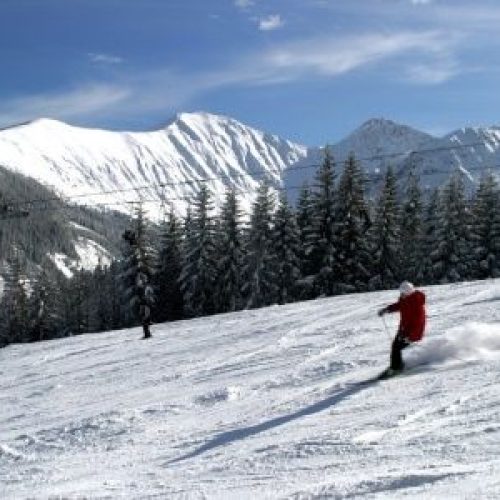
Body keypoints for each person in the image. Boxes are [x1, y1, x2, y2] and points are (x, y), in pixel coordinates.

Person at [378, 281, 426, 375]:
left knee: (396, 348)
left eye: (403, 292)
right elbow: (399, 305)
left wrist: (411, 337)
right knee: (395, 346)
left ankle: (396, 368)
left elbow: (419, 324)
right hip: (403, 329)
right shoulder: (405, 300)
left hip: (412, 333)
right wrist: (387, 309)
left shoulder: (417, 305)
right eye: (401, 292)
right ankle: (396, 365)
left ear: (408, 292)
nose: (401, 294)